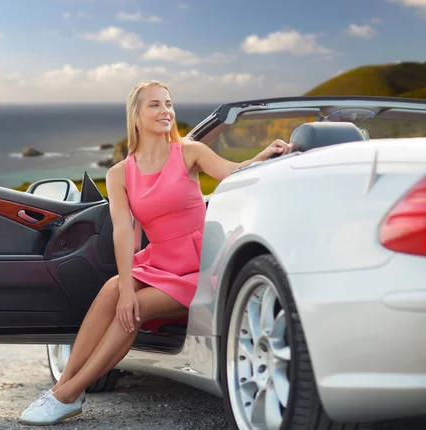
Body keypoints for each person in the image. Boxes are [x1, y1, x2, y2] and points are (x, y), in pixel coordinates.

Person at [18, 80, 293, 425]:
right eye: (156, 105)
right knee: (112, 292)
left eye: (169, 104)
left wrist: (263, 156)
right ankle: (63, 387)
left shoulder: (189, 152)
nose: (166, 111)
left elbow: (233, 173)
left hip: (200, 265)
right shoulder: (120, 173)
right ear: (136, 114)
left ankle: (67, 395)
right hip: (158, 262)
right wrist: (125, 288)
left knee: (136, 309)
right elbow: (122, 230)